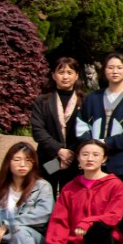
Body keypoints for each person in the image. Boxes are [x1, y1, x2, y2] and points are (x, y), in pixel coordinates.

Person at [37, 141, 123, 244]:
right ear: (78, 158)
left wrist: (87, 222)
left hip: (104, 243)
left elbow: (114, 215)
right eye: (85, 154)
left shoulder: (114, 184)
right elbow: (59, 221)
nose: (89, 158)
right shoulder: (70, 187)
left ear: (104, 159)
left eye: (95, 155)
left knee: (98, 227)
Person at [30, 58, 85, 193]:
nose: (65, 76)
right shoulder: (43, 101)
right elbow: (38, 130)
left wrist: (71, 153)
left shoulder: (85, 101)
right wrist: (59, 150)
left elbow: (87, 130)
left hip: (75, 160)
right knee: (46, 194)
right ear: (53, 75)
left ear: (76, 75)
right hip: (49, 159)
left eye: (69, 72)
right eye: (61, 72)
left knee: (72, 197)